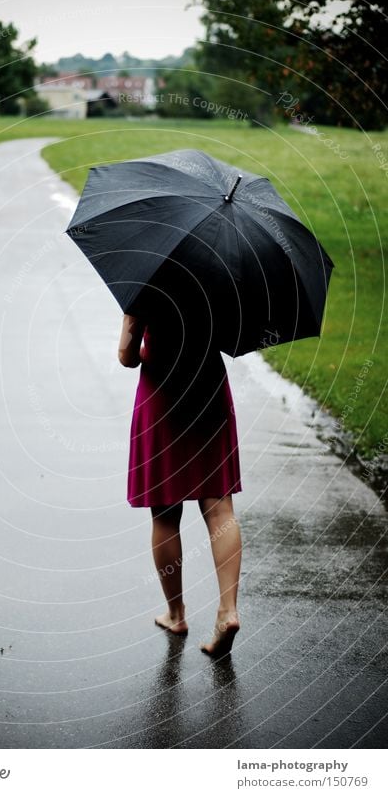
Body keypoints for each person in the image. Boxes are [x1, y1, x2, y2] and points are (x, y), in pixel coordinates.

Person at [118, 260, 243, 657]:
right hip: (208, 391)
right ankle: (228, 609)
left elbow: (127, 356)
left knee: (165, 514)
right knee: (220, 508)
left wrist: (137, 337)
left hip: (162, 397)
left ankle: (176, 612)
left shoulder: (147, 274)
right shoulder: (222, 269)